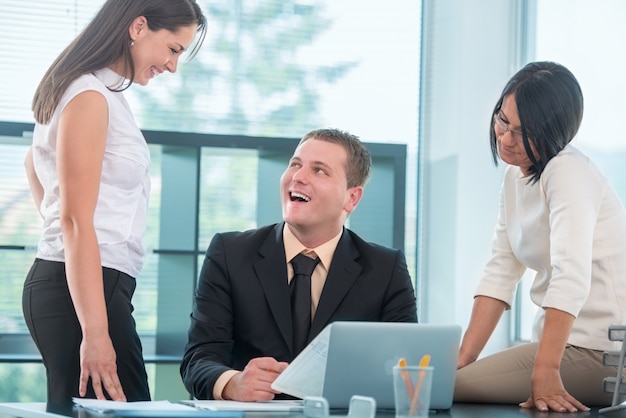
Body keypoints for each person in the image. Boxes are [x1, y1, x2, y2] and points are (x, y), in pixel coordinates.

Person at [22, 0, 206, 406]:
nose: (173, 66)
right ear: (139, 27)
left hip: (85, 285)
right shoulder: (89, 94)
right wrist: (96, 333)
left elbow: (33, 163)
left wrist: (62, 229)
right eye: (173, 49)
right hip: (87, 292)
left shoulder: (96, 91)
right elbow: (73, 218)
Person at [180, 128, 417, 402]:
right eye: (295, 164)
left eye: (319, 171)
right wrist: (233, 383)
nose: (298, 176)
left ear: (351, 198)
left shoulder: (386, 269)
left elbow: (405, 371)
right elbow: (198, 359)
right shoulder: (229, 253)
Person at [453, 61, 626, 413]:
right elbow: (501, 269)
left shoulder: (568, 171)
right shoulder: (517, 177)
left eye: (523, 130)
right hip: (568, 346)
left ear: (557, 132)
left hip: (604, 353)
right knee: (445, 378)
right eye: (503, 120)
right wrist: (463, 357)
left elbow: (571, 274)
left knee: (436, 387)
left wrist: (546, 370)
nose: (505, 137)